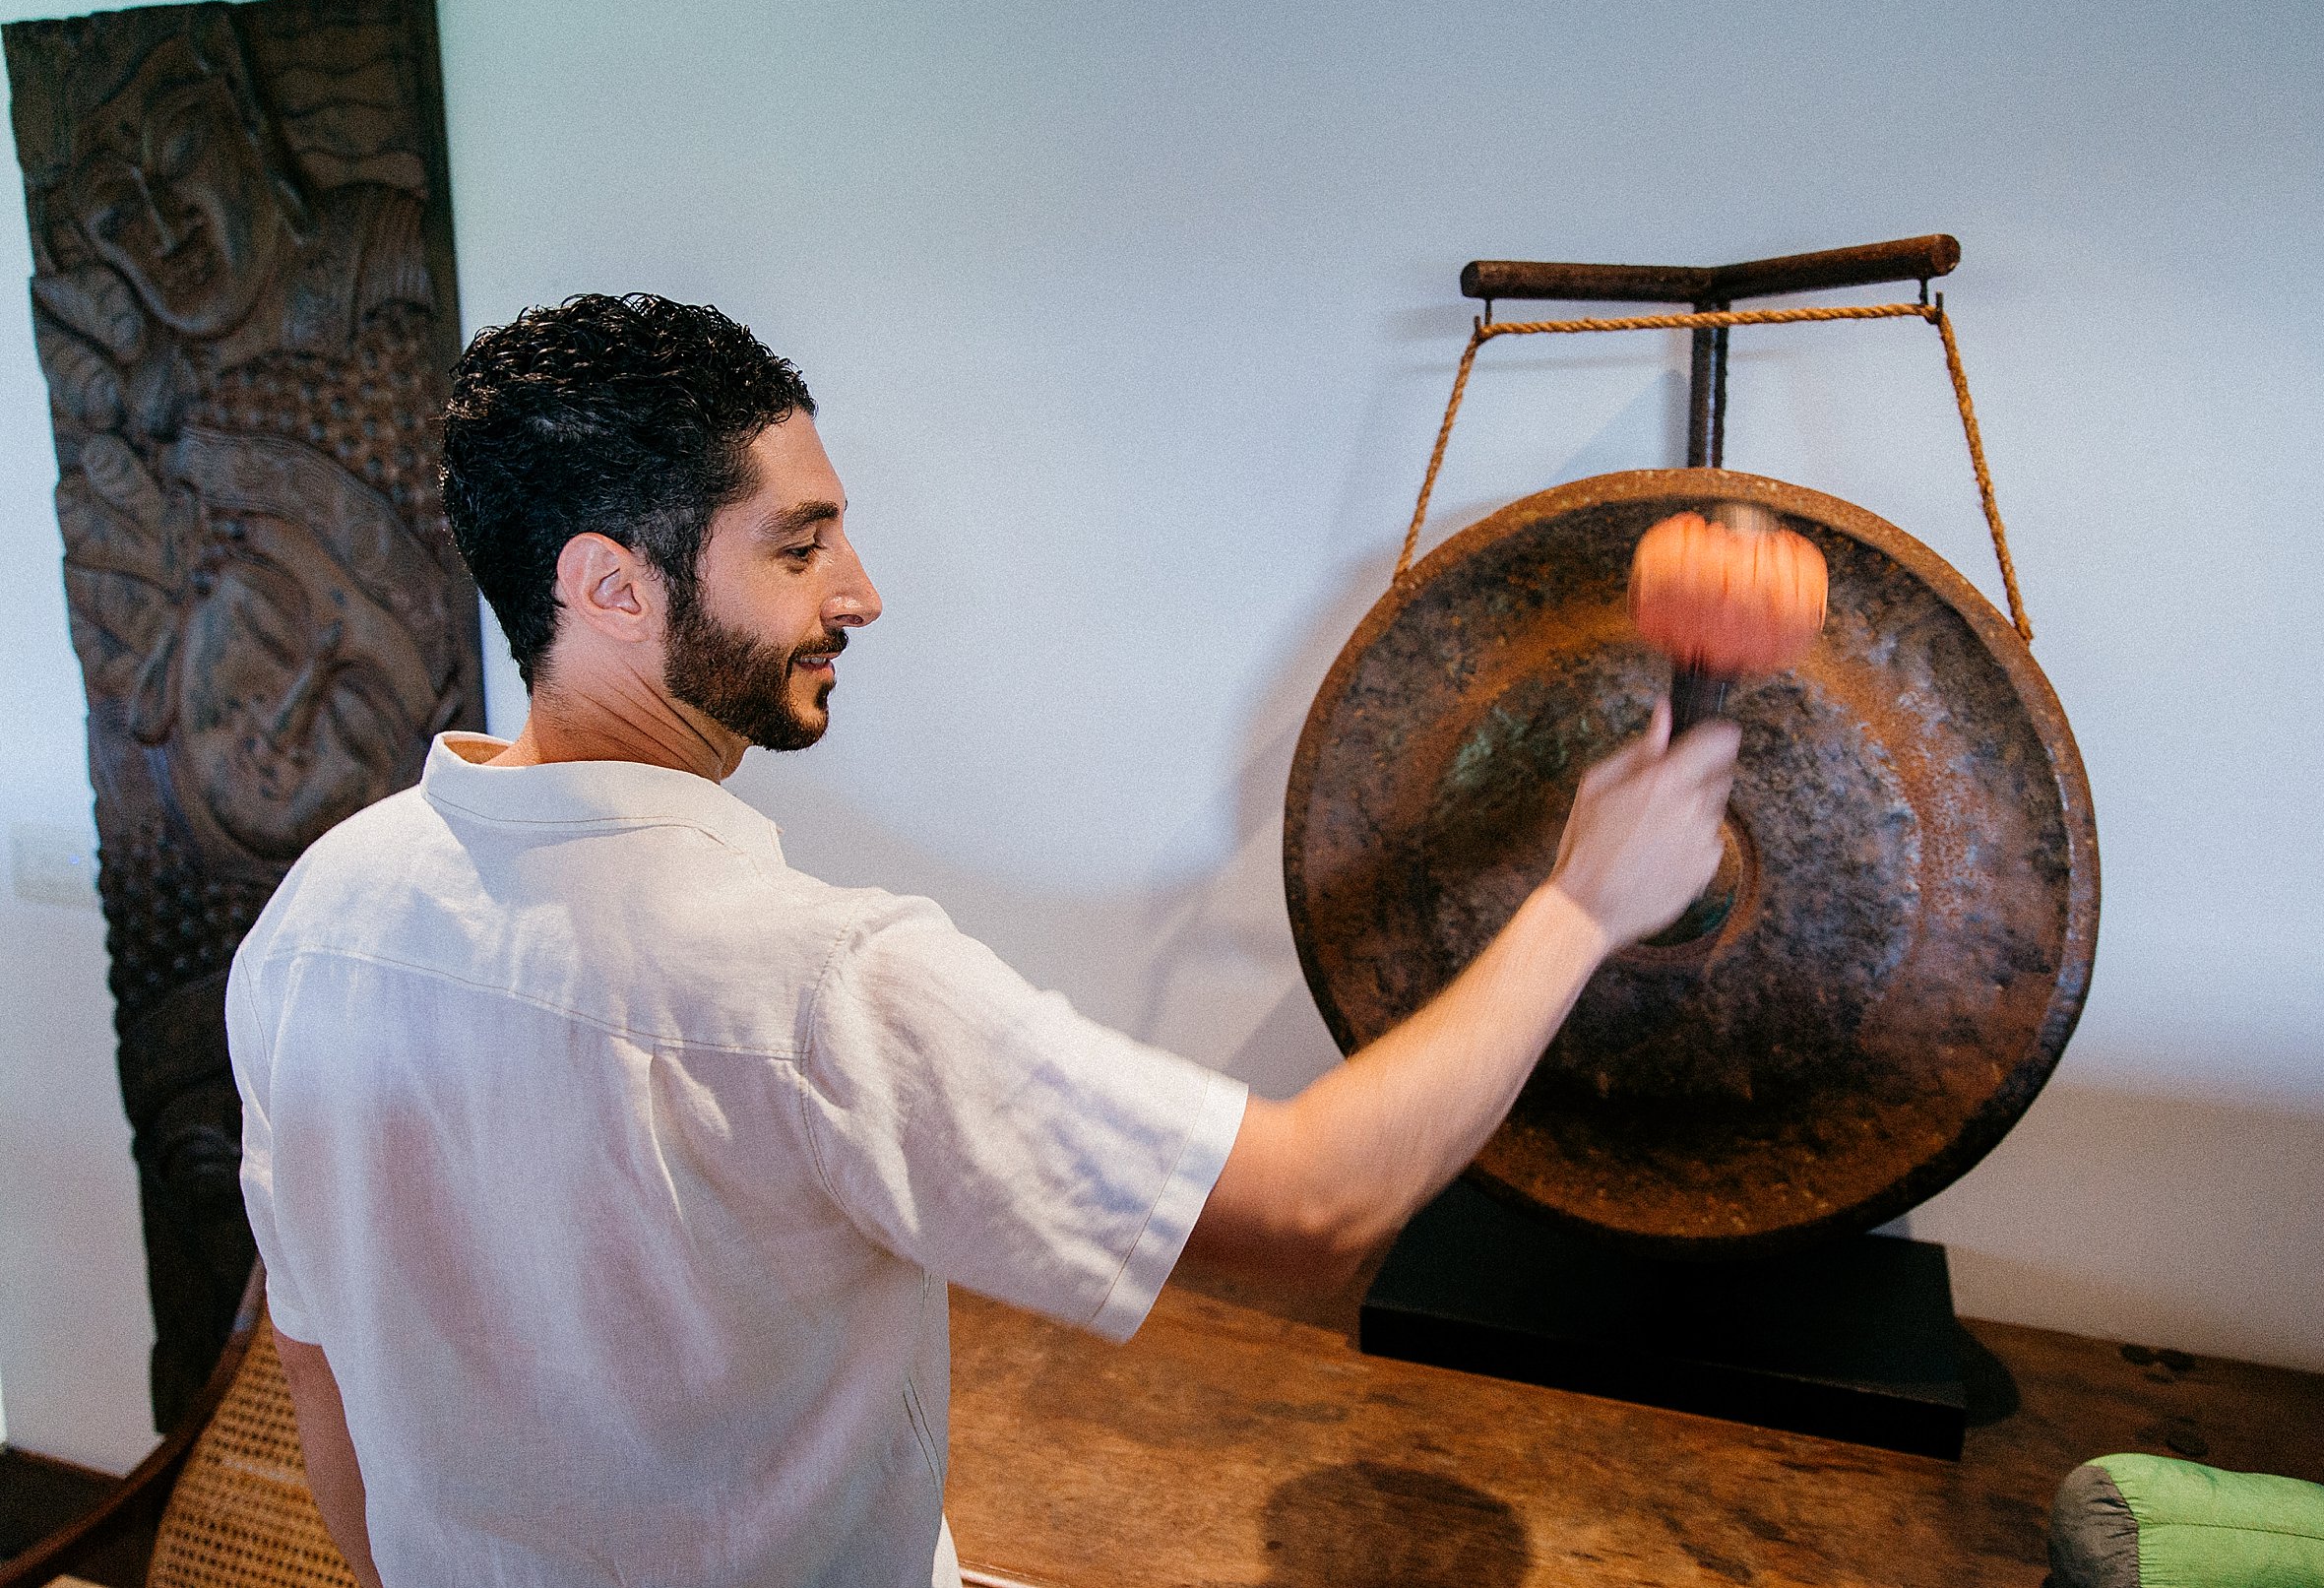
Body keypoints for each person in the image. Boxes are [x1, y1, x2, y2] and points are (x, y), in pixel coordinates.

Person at [229, 292, 1739, 1588]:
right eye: (798, 546)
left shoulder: (321, 915)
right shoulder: (814, 989)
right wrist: (1586, 903)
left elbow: (320, 1374)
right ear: (610, 584)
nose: (860, 594)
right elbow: (1317, 1211)